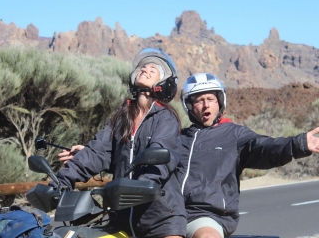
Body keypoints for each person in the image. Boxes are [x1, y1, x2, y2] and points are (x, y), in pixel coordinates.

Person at [55, 48, 187, 238]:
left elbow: (160, 154)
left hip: (162, 219)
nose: (145, 69)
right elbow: (96, 152)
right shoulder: (121, 117)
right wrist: (62, 180)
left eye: (153, 69)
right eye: (142, 67)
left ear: (162, 82)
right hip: (122, 219)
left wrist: (141, 186)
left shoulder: (166, 118)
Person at [178, 72, 319, 238]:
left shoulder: (234, 135)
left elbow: (264, 147)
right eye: (199, 100)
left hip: (205, 215)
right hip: (170, 214)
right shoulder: (177, 138)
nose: (206, 105)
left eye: (211, 99)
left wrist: (299, 144)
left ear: (220, 102)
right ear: (189, 105)